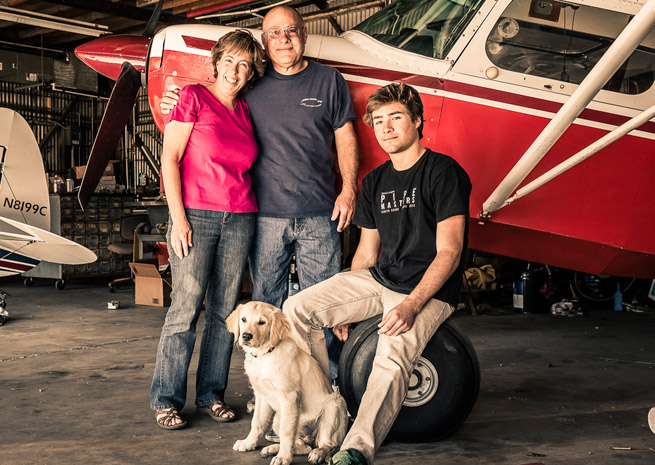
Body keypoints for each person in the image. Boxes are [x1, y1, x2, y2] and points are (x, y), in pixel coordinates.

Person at [161, 6, 359, 384]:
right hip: (264, 216)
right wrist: (170, 99)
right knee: (264, 308)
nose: (284, 39)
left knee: (322, 307)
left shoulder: (329, 80)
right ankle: (269, 387)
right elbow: (210, 99)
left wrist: (348, 190)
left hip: (320, 212)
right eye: (274, 33)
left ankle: (327, 386)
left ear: (303, 33)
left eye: (291, 31)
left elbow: (345, 137)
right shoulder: (251, 85)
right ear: (265, 43)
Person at [283, 83, 472, 465]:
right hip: (380, 279)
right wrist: (349, 307)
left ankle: (356, 449)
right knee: (296, 308)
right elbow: (367, 252)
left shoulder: (443, 172)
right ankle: (324, 408)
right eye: (379, 121)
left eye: (396, 118)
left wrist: (411, 306)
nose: (386, 128)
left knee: (391, 356)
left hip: (427, 291)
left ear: (417, 121)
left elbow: (450, 252)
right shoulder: (374, 182)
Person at [150, 30, 265, 430]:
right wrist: (177, 218)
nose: (235, 70)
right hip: (196, 215)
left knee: (223, 314)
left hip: (241, 217)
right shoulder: (192, 97)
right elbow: (170, 159)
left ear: (251, 72)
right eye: (229, 61)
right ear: (216, 63)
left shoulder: (247, 112)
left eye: (244, 64)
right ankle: (166, 399)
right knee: (185, 309)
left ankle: (211, 394)